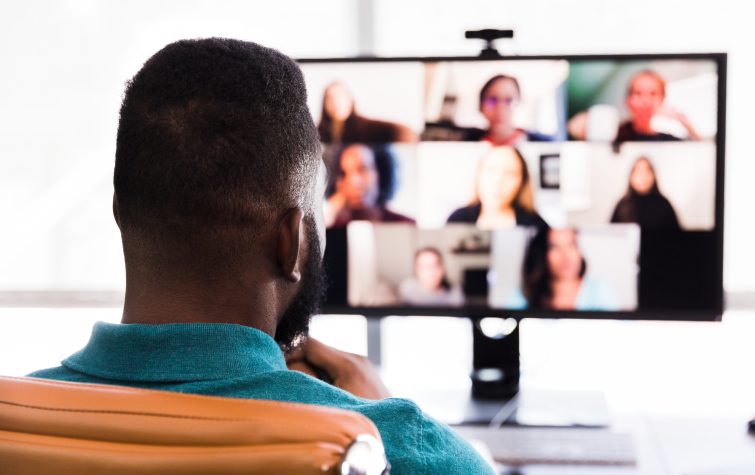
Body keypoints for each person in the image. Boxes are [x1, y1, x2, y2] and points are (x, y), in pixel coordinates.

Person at [26, 39, 493, 475]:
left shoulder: (18, 418)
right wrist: (381, 417)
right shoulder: (386, 444)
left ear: (119, 211)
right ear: (290, 242)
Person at [512, 228, 618, 311]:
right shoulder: (525, 293)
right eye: (554, 247)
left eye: (571, 245)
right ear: (542, 254)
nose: (566, 256)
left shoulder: (600, 290)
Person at [447, 146, 548, 230]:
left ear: (521, 182)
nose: (498, 181)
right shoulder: (457, 220)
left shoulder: (536, 226)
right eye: (491, 170)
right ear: (479, 175)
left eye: (509, 173)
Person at [325, 143, 415, 227]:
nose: (354, 182)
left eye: (362, 169)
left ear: (381, 172)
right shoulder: (334, 223)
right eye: (343, 173)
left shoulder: (405, 224)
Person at [613, 70, 700, 148]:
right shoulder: (615, 136)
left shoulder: (667, 141)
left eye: (653, 94)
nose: (645, 101)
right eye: (638, 93)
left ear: (662, 100)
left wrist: (685, 122)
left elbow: (702, 152)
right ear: (628, 100)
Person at [463, 74, 553, 145]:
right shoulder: (466, 142)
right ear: (481, 106)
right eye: (492, 100)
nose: (500, 108)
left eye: (509, 100)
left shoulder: (542, 143)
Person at [318, 81, 418, 144]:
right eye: (330, 98)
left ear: (350, 101)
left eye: (340, 97)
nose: (336, 103)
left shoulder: (364, 126)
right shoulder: (319, 132)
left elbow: (404, 132)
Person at [611, 156, 680, 229]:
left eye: (647, 170)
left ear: (653, 175)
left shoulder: (664, 205)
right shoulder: (622, 205)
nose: (643, 176)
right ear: (631, 176)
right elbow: (612, 235)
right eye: (638, 171)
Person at [398, 247, 465, 307]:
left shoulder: (454, 291)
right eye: (425, 266)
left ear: (442, 269)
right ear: (416, 269)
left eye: (434, 266)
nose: (430, 271)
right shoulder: (407, 288)